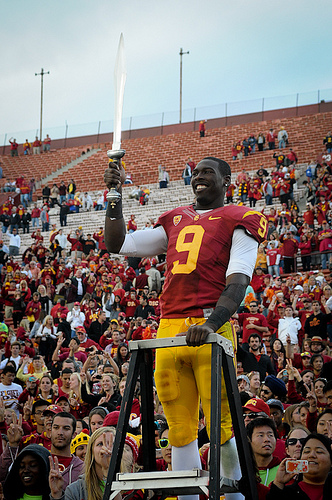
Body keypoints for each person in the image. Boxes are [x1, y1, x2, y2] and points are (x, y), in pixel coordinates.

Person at [104, 156, 268, 499]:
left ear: (226, 179)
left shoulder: (241, 218)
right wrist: (115, 197)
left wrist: (211, 324)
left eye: (208, 172)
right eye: (196, 173)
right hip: (170, 328)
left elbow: (238, 280)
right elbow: (119, 244)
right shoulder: (176, 219)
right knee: (178, 425)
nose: (200, 178)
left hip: (210, 327)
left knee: (222, 422)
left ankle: (235, 494)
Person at [49, 426, 116, 500]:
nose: (106, 448)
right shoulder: (75, 490)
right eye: (100, 444)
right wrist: (56, 495)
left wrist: (108, 472)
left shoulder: (129, 482)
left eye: (111, 443)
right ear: (91, 451)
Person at [267, 433, 332, 499]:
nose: (311, 455)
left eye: (319, 452)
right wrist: (278, 483)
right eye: (307, 451)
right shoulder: (287, 493)